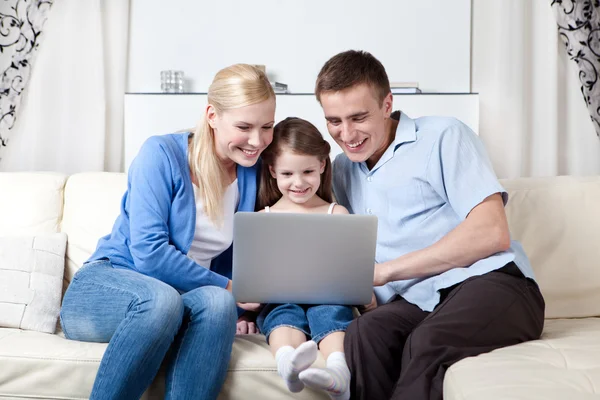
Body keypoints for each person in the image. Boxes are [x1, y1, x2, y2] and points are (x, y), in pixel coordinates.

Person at [314, 50, 545, 400]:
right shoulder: (343, 170)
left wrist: (385, 272)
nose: (346, 134)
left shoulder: (443, 135)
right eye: (334, 121)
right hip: (418, 301)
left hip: (495, 284)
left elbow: (491, 233)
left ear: (387, 103)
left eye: (358, 117)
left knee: (426, 341)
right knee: (364, 334)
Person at [59, 64, 276, 400]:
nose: (257, 141)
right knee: (163, 300)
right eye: (244, 126)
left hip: (181, 301)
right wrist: (232, 286)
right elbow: (149, 254)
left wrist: (244, 306)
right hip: (107, 289)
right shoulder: (161, 154)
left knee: (218, 303)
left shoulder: (252, 171)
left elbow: (254, 249)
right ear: (212, 115)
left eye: (267, 127)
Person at [255, 117, 353, 400]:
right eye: (287, 174)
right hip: (279, 296)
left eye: (308, 171)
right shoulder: (263, 218)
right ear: (273, 171)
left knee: (330, 310)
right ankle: (288, 364)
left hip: (329, 295)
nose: (298, 183)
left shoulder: (337, 214)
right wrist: (247, 312)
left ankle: (339, 372)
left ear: (323, 165)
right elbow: (255, 273)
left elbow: (348, 265)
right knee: (282, 312)